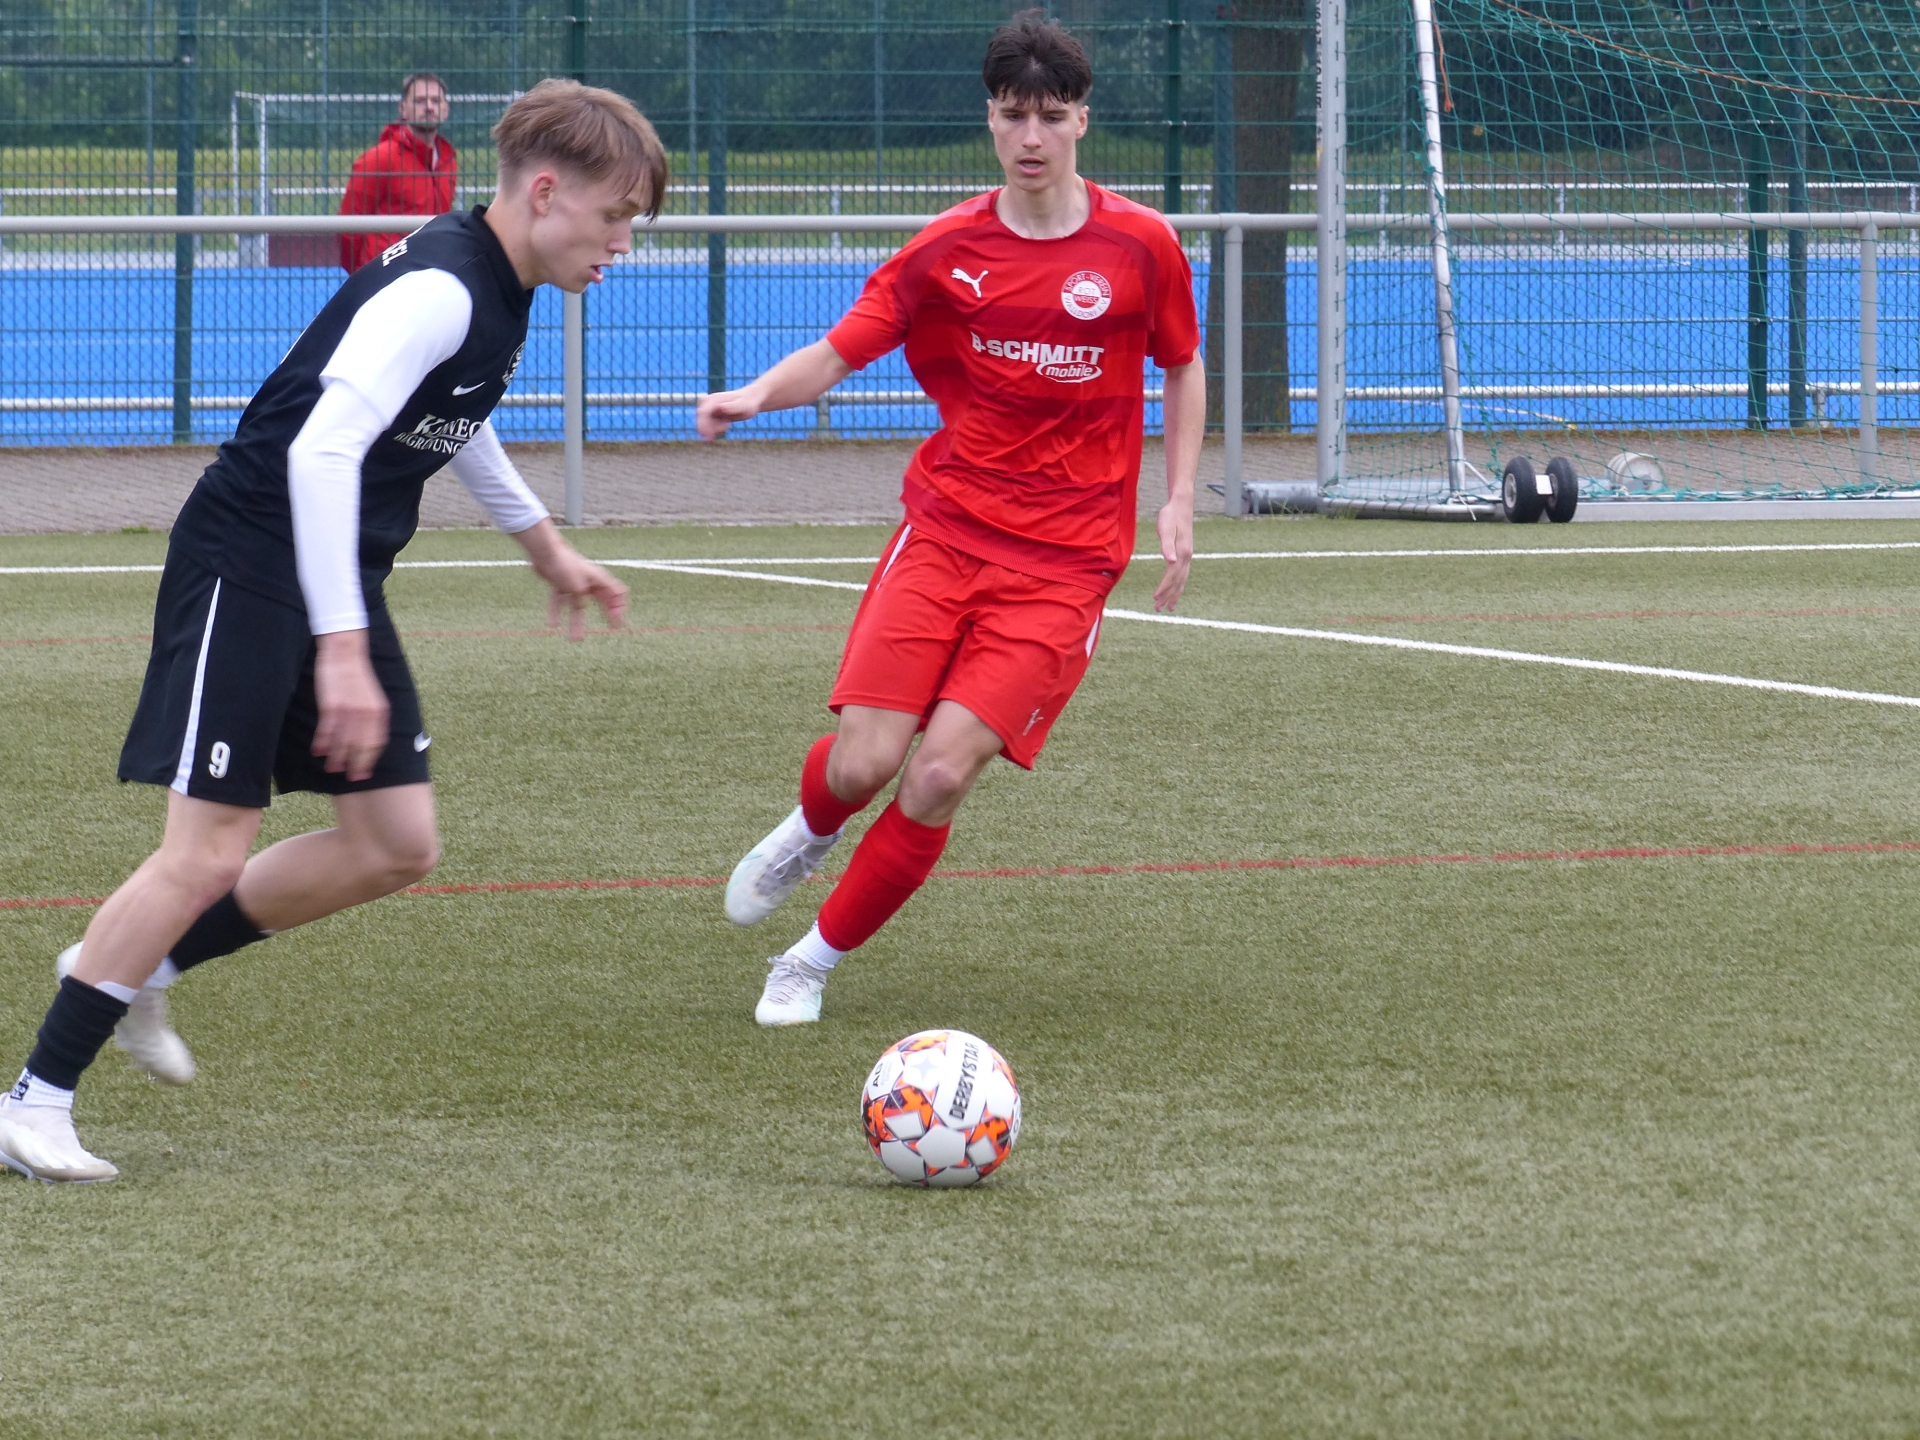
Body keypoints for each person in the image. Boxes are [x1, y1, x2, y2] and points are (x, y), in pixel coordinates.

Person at [0, 79, 667, 1184]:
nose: (624, 244)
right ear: (548, 193)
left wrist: (542, 543)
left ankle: (141, 965)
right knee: (206, 849)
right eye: (617, 217)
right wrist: (343, 647)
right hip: (252, 557)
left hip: (330, 569)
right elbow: (319, 451)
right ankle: (34, 1099)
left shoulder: (501, 284)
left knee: (394, 843)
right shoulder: (442, 288)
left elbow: (452, 418)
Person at [696, 11, 1203, 1026]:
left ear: (1082, 120)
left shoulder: (1141, 244)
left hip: (1065, 566)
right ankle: (812, 827)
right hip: (944, 533)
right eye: (1013, 115)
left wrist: (1180, 496)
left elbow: (1183, 364)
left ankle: (807, 963)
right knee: (864, 763)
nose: (1030, 136)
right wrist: (753, 395)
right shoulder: (947, 248)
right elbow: (840, 350)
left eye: (1050, 116)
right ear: (991, 117)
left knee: (935, 774)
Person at [339, 72, 458, 273]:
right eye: (419, 101)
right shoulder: (379, 159)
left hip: (431, 274)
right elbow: (349, 228)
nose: (429, 107)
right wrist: (364, 276)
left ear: (445, 110)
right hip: (386, 277)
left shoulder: (448, 161)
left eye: (435, 101)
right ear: (403, 109)